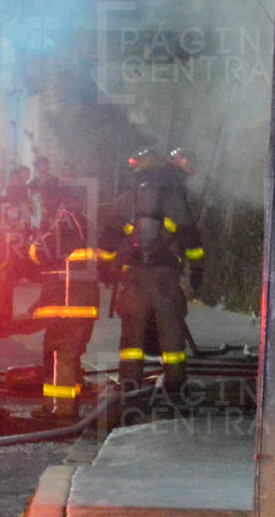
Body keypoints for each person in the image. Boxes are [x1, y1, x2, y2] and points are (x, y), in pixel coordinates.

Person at [101, 149, 205, 395]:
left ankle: (129, 386)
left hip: (133, 277)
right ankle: (175, 385)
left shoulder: (125, 200)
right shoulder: (174, 200)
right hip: (165, 278)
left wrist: (105, 269)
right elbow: (191, 238)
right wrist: (197, 271)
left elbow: (107, 240)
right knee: (171, 333)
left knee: (131, 338)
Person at [27, 195, 100, 419]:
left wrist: (34, 240)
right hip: (79, 309)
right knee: (66, 356)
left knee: (60, 358)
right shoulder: (89, 234)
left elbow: (37, 253)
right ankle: (63, 405)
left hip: (65, 310)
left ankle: (61, 409)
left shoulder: (64, 232)